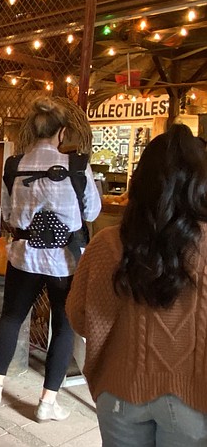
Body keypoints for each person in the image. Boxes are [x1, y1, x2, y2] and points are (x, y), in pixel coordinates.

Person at [66, 124, 207, 446]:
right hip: (196, 400)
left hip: (120, 391)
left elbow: (79, 317)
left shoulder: (108, 244)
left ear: (140, 180)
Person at [0, 97, 101, 421]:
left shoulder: (14, 165)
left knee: (11, 317)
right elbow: (92, 211)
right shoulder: (76, 166)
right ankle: (47, 403)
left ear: (32, 129)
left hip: (24, 256)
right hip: (66, 261)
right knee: (63, 327)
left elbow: (7, 213)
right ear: (62, 132)